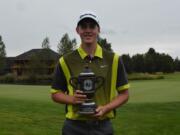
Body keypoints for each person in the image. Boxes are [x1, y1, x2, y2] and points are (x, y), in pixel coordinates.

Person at [50, 11, 130, 135]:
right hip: (73, 127)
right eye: (84, 26)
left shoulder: (113, 59)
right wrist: (72, 99)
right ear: (77, 30)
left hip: (103, 126)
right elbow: (55, 94)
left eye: (92, 26)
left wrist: (106, 108)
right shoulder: (65, 61)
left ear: (98, 30)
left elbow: (124, 94)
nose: (88, 30)